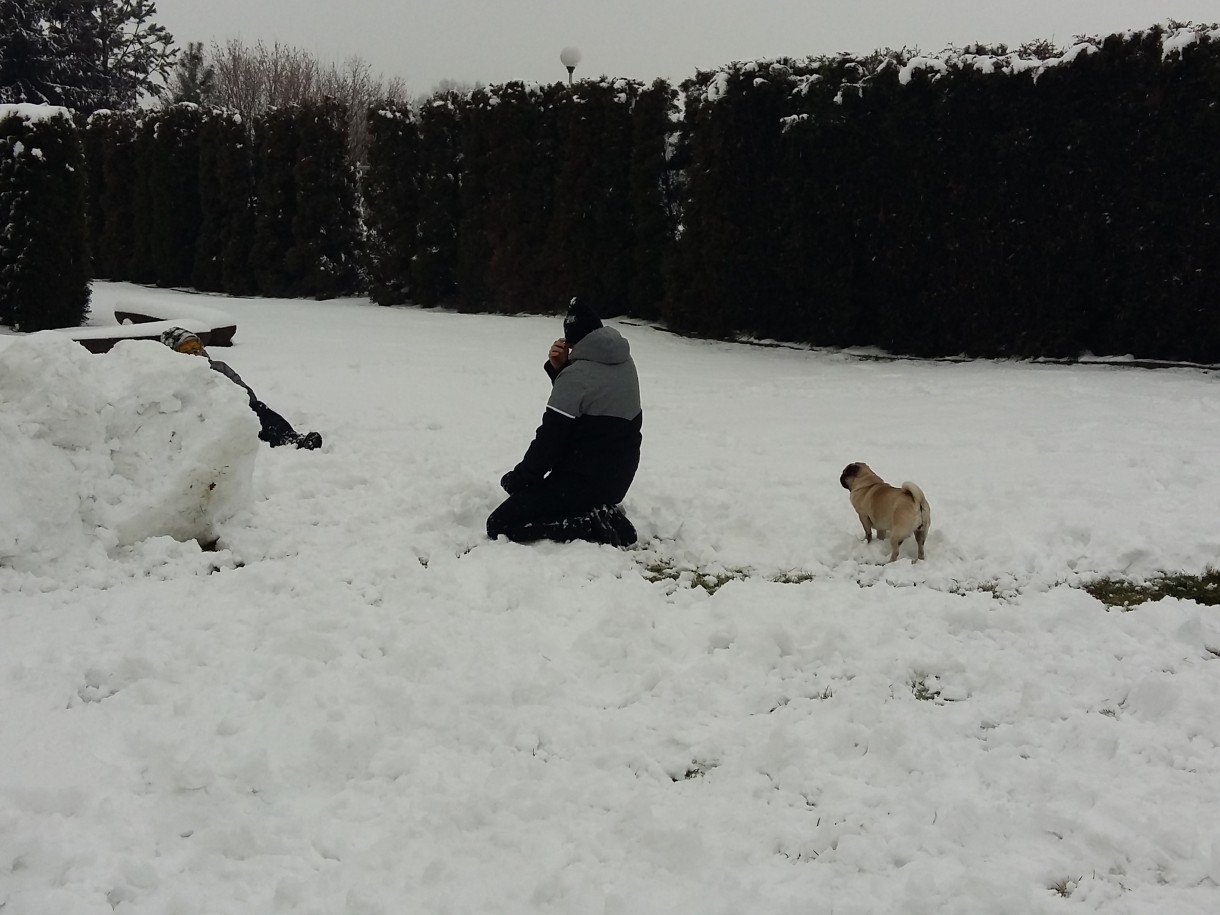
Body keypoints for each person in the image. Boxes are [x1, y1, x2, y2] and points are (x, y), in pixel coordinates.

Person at [487, 298, 642, 546]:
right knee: (546, 499)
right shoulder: (624, 362)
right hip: (617, 479)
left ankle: (590, 525)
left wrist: (519, 480)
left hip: (581, 482)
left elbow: (550, 440)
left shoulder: (575, 376)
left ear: (569, 342)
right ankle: (599, 512)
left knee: (501, 523)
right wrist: (561, 370)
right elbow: (588, 409)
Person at [159, 327, 322, 450]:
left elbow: (245, 391)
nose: (194, 353)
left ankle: (290, 438)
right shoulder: (174, 378)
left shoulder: (218, 368)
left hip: (233, 411)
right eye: (186, 351)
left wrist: (241, 402)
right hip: (203, 422)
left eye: (195, 347)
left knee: (258, 409)